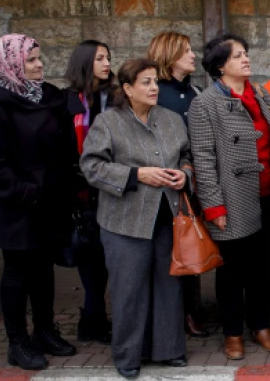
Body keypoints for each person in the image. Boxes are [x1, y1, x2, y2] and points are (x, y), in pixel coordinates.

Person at [0, 34, 78, 371]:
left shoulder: (47, 96)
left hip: (50, 198)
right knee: (18, 271)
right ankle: (17, 341)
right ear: (10, 65)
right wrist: (25, 192)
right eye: (30, 60)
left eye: (38, 58)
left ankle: (45, 331)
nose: (39, 64)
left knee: (44, 268)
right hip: (19, 203)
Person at [80, 59, 190, 379]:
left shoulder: (171, 120)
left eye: (155, 81)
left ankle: (169, 350)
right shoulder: (108, 122)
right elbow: (92, 166)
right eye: (145, 82)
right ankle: (128, 355)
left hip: (167, 216)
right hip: (124, 220)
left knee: (168, 287)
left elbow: (186, 157)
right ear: (127, 89)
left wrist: (184, 176)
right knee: (129, 289)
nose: (154, 87)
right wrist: (136, 174)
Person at [189, 33, 270, 359]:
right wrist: (213, 205)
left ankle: (260, 325)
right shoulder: (205, 103)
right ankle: (233, 332)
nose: (246, 59)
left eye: (246, 53)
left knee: (261, 266)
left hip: (268, 193)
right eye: (238, 55)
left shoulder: (259, 93)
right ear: (220, 65)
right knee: (231, 269)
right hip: (231, 198)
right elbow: (202, 158)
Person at [147, 31, 208, 337]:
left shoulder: (196, 92)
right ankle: (173, 315)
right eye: (186, 51)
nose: (193, 55)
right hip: (160, 186)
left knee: (190, 244)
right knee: (166, 253)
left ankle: (191, 311)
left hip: (191, 181)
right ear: (170, 56)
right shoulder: (154, 92)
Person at [62, 39, 115, 345]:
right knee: (89, 254)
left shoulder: (116, 97)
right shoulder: (67, 100)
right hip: (80, 189)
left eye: (108, 58)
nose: (107, 64)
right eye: (99, 58)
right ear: (84, 62)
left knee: (106, 255)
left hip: (111, 185)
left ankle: (92, 318)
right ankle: (93, 317)